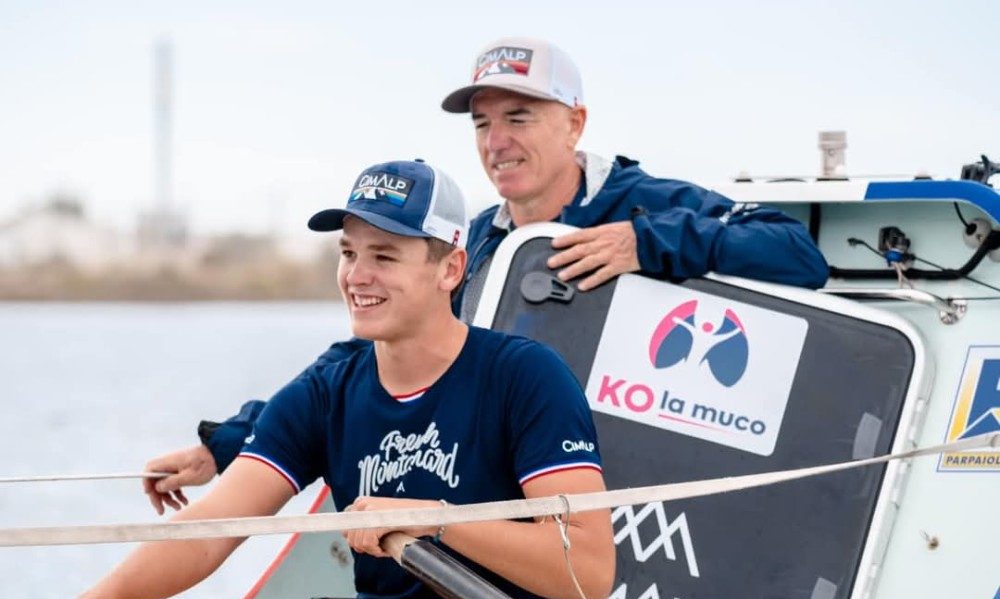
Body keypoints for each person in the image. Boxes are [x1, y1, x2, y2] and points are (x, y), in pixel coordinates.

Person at [0, 160, 615, 599]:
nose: (358, 274)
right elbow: (211, 525)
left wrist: (439, 521)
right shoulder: (333, 382)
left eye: (385, 254)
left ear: (449, 269)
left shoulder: (524, 377)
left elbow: (588, 569)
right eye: (348, 253)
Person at [143, 36, 829, 513]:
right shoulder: (474, 242)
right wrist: (229, 445)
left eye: (519, 117)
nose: (497, 142)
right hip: (513, 494)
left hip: (635, 489)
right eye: (482, 123)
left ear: (575, 123)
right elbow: (381, 362)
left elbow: (798, 255)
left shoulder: (645, 204)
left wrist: (649, 244)